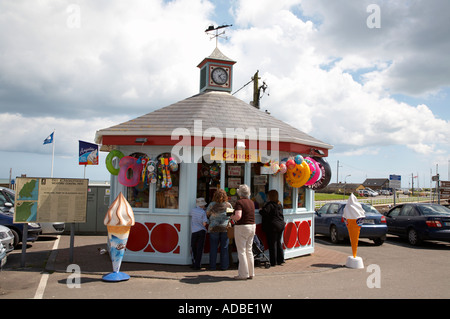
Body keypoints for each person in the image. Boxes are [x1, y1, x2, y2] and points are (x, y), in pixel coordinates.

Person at [231, 184, 256, 280]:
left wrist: (231, 216)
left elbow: (238, 216)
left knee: (241, 251)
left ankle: (243, 274)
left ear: (239, 193)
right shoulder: (251, 202)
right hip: (252, 226)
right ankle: (251, 273)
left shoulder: (239, 202)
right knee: (249, 250)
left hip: (242, 227)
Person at [207, 189, 232, 270]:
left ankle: (212, 266)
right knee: (224, 247)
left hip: (213, 227)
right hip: (225, 228)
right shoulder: (228, 205)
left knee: (213, 247)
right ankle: (224, 266)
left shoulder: (212, 204)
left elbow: (207, 214)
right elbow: (230, 216)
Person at [259, 190, 285, 266]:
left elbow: (264, 212)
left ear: (270, 196)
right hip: (280, 225)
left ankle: (273, 262)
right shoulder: (279, 204)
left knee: (272, 244)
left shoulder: (269, 205)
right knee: (278, 242)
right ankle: (280, 259)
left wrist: (260, 209)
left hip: (273, 226)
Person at [190, 198, 208, 270]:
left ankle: (194, 262)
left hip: (194, 231)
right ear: (202, 205)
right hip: (201, 231)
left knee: (193, 247)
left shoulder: (192, 211)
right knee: (199, 248)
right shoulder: (203, 212)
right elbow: (204, 224)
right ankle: (198, 264)